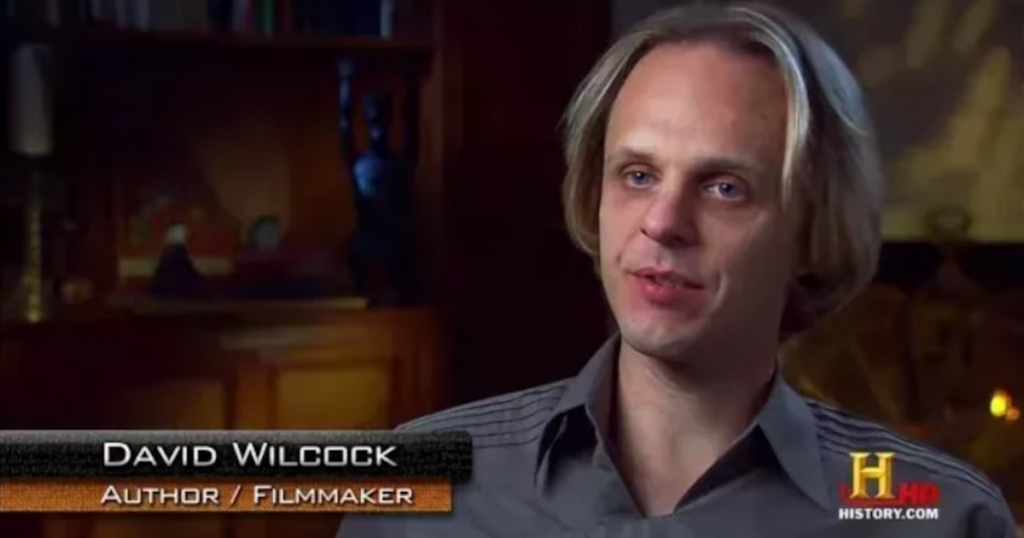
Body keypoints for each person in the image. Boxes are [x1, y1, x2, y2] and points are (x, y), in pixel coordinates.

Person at [338, 2, 1019, 537]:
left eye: (724, 187)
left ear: (813, 231)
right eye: (637, 175)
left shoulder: (941, 516)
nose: (662, 222)